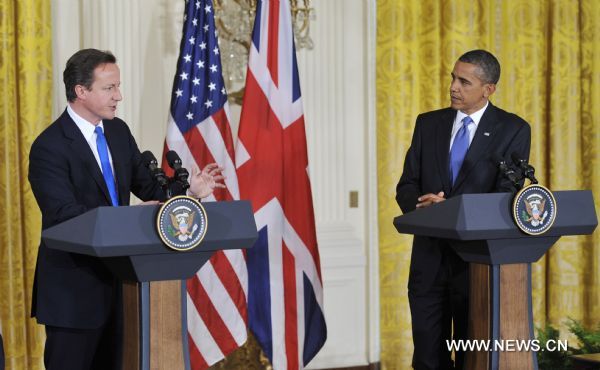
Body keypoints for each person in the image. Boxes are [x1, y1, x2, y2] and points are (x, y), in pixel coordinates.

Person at [28, 48, 225, 370]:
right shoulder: (49, 146)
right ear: (81, 91)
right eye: (109, 88)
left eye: (117, 86)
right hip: (75, 291)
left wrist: (190, 191)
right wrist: (127, 217)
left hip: (125, 285)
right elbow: (62, 214)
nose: (118, 96)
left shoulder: (118, 132)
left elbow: (149, 189)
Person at [396, 49, 531, 370]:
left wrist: (453, 210)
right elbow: (406, 185)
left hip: (477, 265)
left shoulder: (512, 129)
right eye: (453, 78)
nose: (453, 87)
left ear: (489, 89)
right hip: (429, 263)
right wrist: (421, 204)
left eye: (464, 81)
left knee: (475, 358)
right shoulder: (428, 124)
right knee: (428, 359)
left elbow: (506, 195)